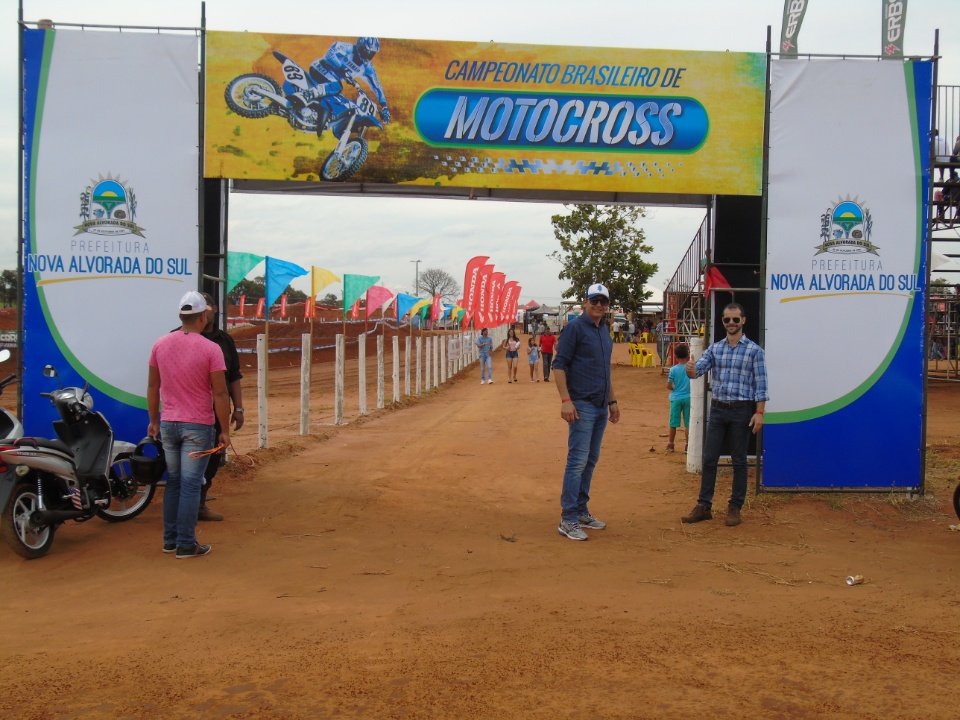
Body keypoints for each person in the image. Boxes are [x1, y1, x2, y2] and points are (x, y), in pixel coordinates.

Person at [148, 291, 230, 559]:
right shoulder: (211, 348)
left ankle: (171, 540)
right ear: (204, 316)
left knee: (174, 482)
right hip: (197, 425)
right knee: (191, 484)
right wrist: (225, 430)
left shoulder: (160, 344)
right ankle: (186, 543)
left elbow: (153, 385)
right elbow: (220, 392)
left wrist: (153, 420)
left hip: (169, 423)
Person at [682, 303, 768, 528]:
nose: (731, 323)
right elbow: (699, 369)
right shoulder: (715, 348)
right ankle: (704, 506)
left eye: (735, 320)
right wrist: (691, 370)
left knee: (739, 460)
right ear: (722, 322)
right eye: (727, 320)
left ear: (743, 321)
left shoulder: (754, 351)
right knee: (709, 458)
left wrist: (759, 412)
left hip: (741, 409)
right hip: (718, 409)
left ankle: (734, 507)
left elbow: (761, 385)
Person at [551, 283, 620, 541]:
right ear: (585, 302)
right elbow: (559, 365)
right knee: (577, 461)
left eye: (603, 301)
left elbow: (605, 371)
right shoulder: (575, 329)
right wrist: (565, 400)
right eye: (594, 300)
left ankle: (580, 510)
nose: (599, 305)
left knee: (590, 460)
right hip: (581, 404)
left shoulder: (603, 331)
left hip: (601, 405)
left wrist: (612, 401)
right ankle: (567, 518)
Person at [196, 292, 246, 522]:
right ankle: (186, 506)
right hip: (191, 412)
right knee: (189, 459)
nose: (204, 311)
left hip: (218, 412)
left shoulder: (225, 341)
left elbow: (234, 377)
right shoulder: (179, 338)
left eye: (208, 306)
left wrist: (239, 408)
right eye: (200, 307)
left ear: (215, 309)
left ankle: (199, 502)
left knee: (214, 456)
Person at [288, 37, 390, 138]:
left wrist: (384, 107)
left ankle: (316, 117)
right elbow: (329, 55)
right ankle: (305, 95)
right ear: (360, 46)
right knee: (337, 86)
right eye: (366, 51)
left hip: (331, 80)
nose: (367, 56)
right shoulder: (347, 48)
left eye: (371, 53)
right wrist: (342, 68)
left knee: (338, 102)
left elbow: (377, 87)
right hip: (320, 68)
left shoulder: (368, 68)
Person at [666, 343, 690, 452]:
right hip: (689, 397)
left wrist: (674, 388)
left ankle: (671, 444)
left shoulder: (673, 370)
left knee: (673, 423)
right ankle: (687, 445)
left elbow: (669, 385)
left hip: (676, 397)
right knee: (688, 423)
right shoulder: (690, 368)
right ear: (687, 355)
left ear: (675, 356)